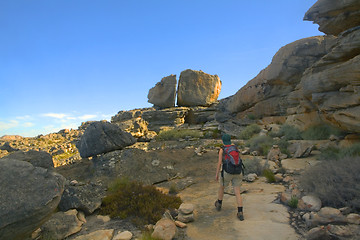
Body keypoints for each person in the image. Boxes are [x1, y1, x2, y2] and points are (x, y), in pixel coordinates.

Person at [215, 134, 244, 221]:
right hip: (238, 171)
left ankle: (219, 204)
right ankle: (240, 212)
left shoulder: (222, 150)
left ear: (223, 141)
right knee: (237, 192)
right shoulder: (235, 148)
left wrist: (216, 174)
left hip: (227, 172)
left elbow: (220, 163)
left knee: (222, 187)